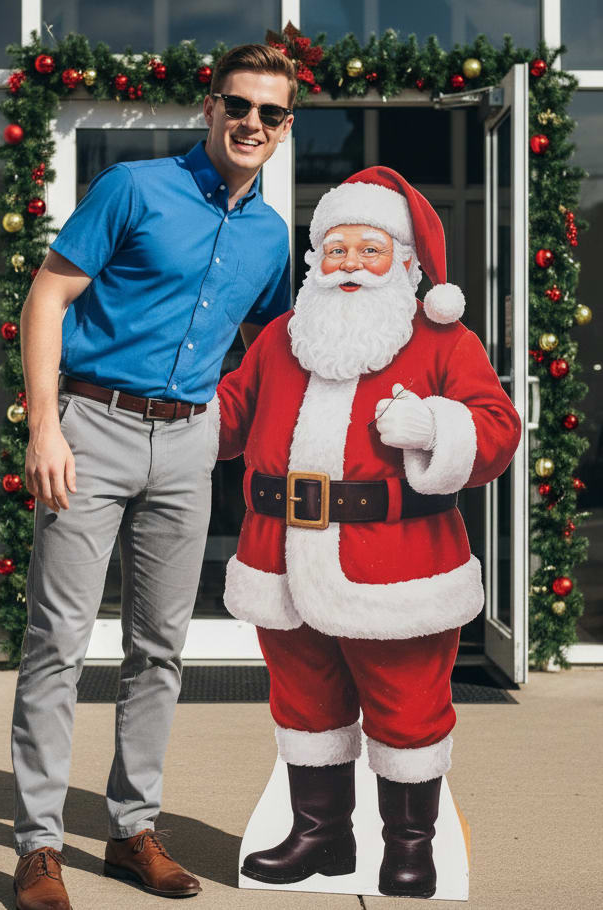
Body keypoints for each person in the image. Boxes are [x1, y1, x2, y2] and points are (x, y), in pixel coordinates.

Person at [11, 44, 295, 910]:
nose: (251, 124)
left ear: (285, 129)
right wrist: (46, 424)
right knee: (59, 643)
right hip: (90, 429)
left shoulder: (273, 236)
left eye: (270, 114)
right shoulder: (135, 189)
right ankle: (38, 846)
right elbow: (47, 298)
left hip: (188, 444)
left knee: (160, 649)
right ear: (211, 108)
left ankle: (132, 830)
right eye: (238, 106)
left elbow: (274, 347)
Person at [212, 167, 522, 899]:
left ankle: (409, 845)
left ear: (407, 265)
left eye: (369, 249)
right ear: (316, 259)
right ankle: (321, 836)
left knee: (408, 707)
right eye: (337, 248)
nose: (349, 263)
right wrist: (162, 422)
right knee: (303, 703)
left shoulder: (443, 339)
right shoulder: (284, 337)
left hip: (398, 568)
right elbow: (229, 414)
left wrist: (437, 426)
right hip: (282, 561)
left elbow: (499, 429)